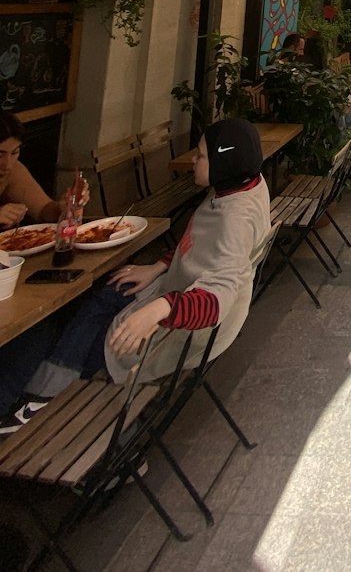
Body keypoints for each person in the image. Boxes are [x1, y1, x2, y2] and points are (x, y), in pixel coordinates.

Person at [0, 118, 270, 434]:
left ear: (224, 162)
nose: (193, 160)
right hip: (181, 297)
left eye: (201, 155)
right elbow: (199, 246)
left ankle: (41, 401)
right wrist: (158, 266)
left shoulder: (234, 221)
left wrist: (159, 309)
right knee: (104, 293)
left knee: (75, 328)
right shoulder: (243, 185)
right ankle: (42, 396)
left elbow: (216, 298)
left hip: (183, 326)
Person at [0, 110, 90, 229]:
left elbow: (43, 211)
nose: (8, 165)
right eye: (0, 155)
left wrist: (62, 208)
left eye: (14, 152)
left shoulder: (13, 170)